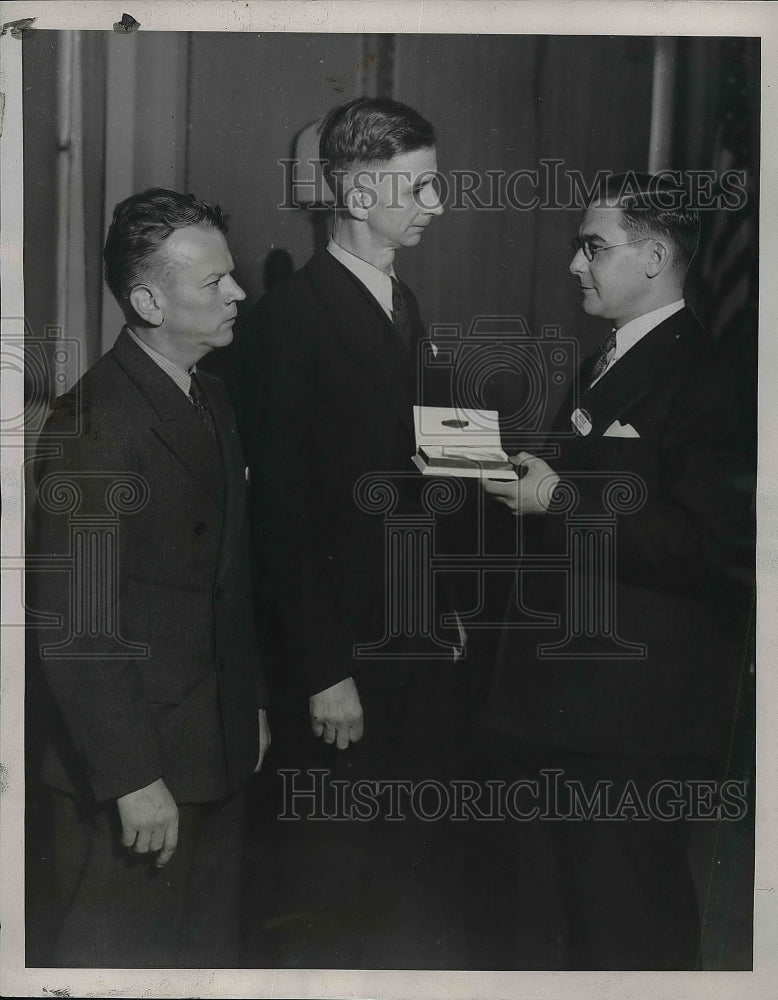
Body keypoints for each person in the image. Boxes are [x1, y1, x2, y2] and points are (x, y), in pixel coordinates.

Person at [479, 173, 755, 969]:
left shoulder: (713, 374)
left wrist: (560, 496)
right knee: (589, 924)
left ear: (656, 256)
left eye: (593, 247)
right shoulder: (612, 358)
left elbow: (711, 544)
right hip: (580, 707)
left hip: (638, 720)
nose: (575, 264)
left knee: (629, 927)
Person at [236, 97, 464, 966]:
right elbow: (283, 515)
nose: (437, 204)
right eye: (423, 186)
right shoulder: (288, 321)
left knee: (393, 884)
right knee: (325, 892)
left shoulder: (401, 302)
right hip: (341, 666)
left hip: (407, 649)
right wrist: (325, 670)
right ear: (361, 190)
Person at [28, 188, 270, 968]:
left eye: (231, 276)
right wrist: (133, 777)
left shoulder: (213, 395)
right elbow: (79, 622)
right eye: (214, 283)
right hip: (136, 773)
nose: (237, 292)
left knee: (203, 965)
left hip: (214, 749)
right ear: (147, 300)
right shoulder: (95, 421)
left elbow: (224, 582)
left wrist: (250, 704)